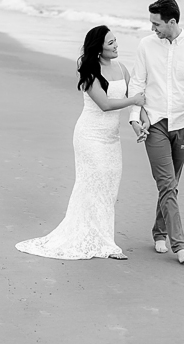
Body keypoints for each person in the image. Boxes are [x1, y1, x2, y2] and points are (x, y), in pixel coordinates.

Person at [16, 25, 145, 260]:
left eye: (116, 41)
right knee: (91, 187)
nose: (116, 45)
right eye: (110, 43)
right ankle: (102, 244)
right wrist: (133, 100)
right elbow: (105, 104)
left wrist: (138, 122)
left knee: (108, 189)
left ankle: (104, 239)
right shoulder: (89, 71)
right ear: (99, 48)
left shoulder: (121, 68)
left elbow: (133, 99)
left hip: (111, 138)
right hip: (90, 136)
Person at [129, 0, 184, 265]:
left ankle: (158, 232)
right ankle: (180, 244)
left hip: (183, 124)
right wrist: (133, 118)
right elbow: (138, 82)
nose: (152, 28)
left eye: (156, 23)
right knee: (166, 183)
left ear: (172, 22)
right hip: (155, 124)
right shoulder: (146, 46)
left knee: (171, 185)